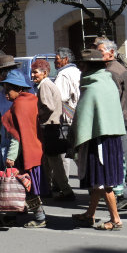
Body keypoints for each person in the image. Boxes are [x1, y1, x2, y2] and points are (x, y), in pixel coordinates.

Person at [71, 49, 125, 231]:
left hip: (99, 139)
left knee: (103, 182)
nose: (80, 68)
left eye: (82, 65)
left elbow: (82, 116)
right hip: (109, 136)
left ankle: (115, 219)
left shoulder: (93, 86)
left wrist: (74, 139)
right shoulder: (107, 81)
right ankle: (89, 214)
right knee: (97, 181)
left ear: (88, 67)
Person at [96, 39, 127, 210]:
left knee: (120, 158)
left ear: (111, 53)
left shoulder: (112, 72)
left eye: (101, 51)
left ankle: (126, 194)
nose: (98, 54)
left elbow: (112, 100)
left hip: (120, 120)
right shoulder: (119, 69)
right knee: (126, 158)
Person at [0, 70, 47, 228]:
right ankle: (13, 214)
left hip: (25, 153)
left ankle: (40, 217)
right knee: (20, 184)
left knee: (27, 185)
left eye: (8, 90)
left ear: (18, 89)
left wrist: (11, 156)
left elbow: (17, 136)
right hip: (36, 150)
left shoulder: (19, 105)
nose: (6, 93)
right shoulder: (31, 100)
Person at [31, 59, 75, 201]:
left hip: (49, 126)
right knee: (48, 161)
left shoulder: (44, 86)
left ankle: (66, 190)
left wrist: (36, 114)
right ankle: (47, 188)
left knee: (54, 161)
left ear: (44, 73)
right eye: (32, 72)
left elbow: (48, 106)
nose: (33, 75)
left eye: (35, 72)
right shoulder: (48, 84)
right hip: (52, 126)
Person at [54, 47, 80, 177]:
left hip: (68, 119)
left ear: (66, 59)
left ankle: (63, 184)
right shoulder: (76, 71)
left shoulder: (64, 74)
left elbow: (59, 97)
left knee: (67, 153)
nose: (55, 62)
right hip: (77, 115)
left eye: (57, 59)